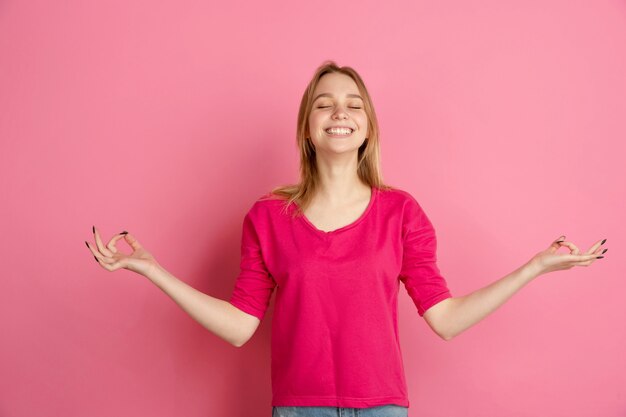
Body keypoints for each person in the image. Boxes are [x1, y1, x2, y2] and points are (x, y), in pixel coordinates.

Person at [85, 61, 608, 417]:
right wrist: (151, 269)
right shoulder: (267, 217)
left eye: (354, 104)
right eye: (325, 103)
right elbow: (241, 327)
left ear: (367, 127)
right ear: (308, 127)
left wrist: (533, 268)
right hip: (297, 407)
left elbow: (446, 320)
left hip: (383, 408)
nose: (340, 112)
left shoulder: (401, 212)